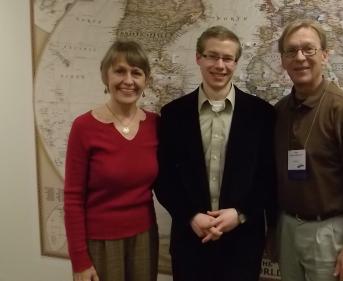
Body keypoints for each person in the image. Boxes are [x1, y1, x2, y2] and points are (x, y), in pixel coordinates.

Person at [155, 25, 276, 281]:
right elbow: (164, 179)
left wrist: (240, 213)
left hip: (242, 244)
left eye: (227, 58)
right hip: (190, 243)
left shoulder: (262, 115)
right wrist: (190, 216)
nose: (219, 65)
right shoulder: (173, 115)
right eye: (212, 56)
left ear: (236, 62)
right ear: (198, 58)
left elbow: (269, 177)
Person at [274, 19, 343, 281]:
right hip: (288, 228)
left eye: (308, 49)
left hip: (330, 233)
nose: (300, 58)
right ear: (283, 60)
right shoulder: (280, 111)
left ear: (324, 54)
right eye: (291, 51)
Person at [64, 40, 159, 281]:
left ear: (145, 80)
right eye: (119, 71)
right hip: (101, 243)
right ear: (105, 76)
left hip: (145, 239)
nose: (128, 80)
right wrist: (80, 262)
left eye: (136, 73)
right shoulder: (84, 127)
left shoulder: (155, 124)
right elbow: (73, 199)